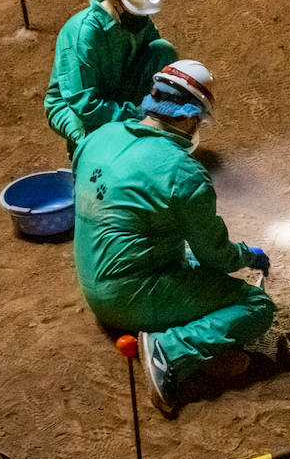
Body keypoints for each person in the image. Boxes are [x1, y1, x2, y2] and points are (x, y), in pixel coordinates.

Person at [72, 60, 275, 415]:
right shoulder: (183, 172)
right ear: (189, 117)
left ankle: (171, 329)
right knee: (257, 306)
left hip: (92, 280)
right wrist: (247, 255)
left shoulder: (100, 136)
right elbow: (216, 256)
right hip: (129, 298)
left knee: (181, 251)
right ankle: (170, 350)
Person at [45, 0, 179, 155]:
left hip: (115, 89)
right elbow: (85, 105)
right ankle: (83, 148)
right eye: (136, 8)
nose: (143, 16)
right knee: (104, 152)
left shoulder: (134, 16)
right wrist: (140, 115)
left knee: (162, 51)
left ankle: (134, 128)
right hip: (76, 107)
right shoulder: (83, 35)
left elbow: (154, 59)